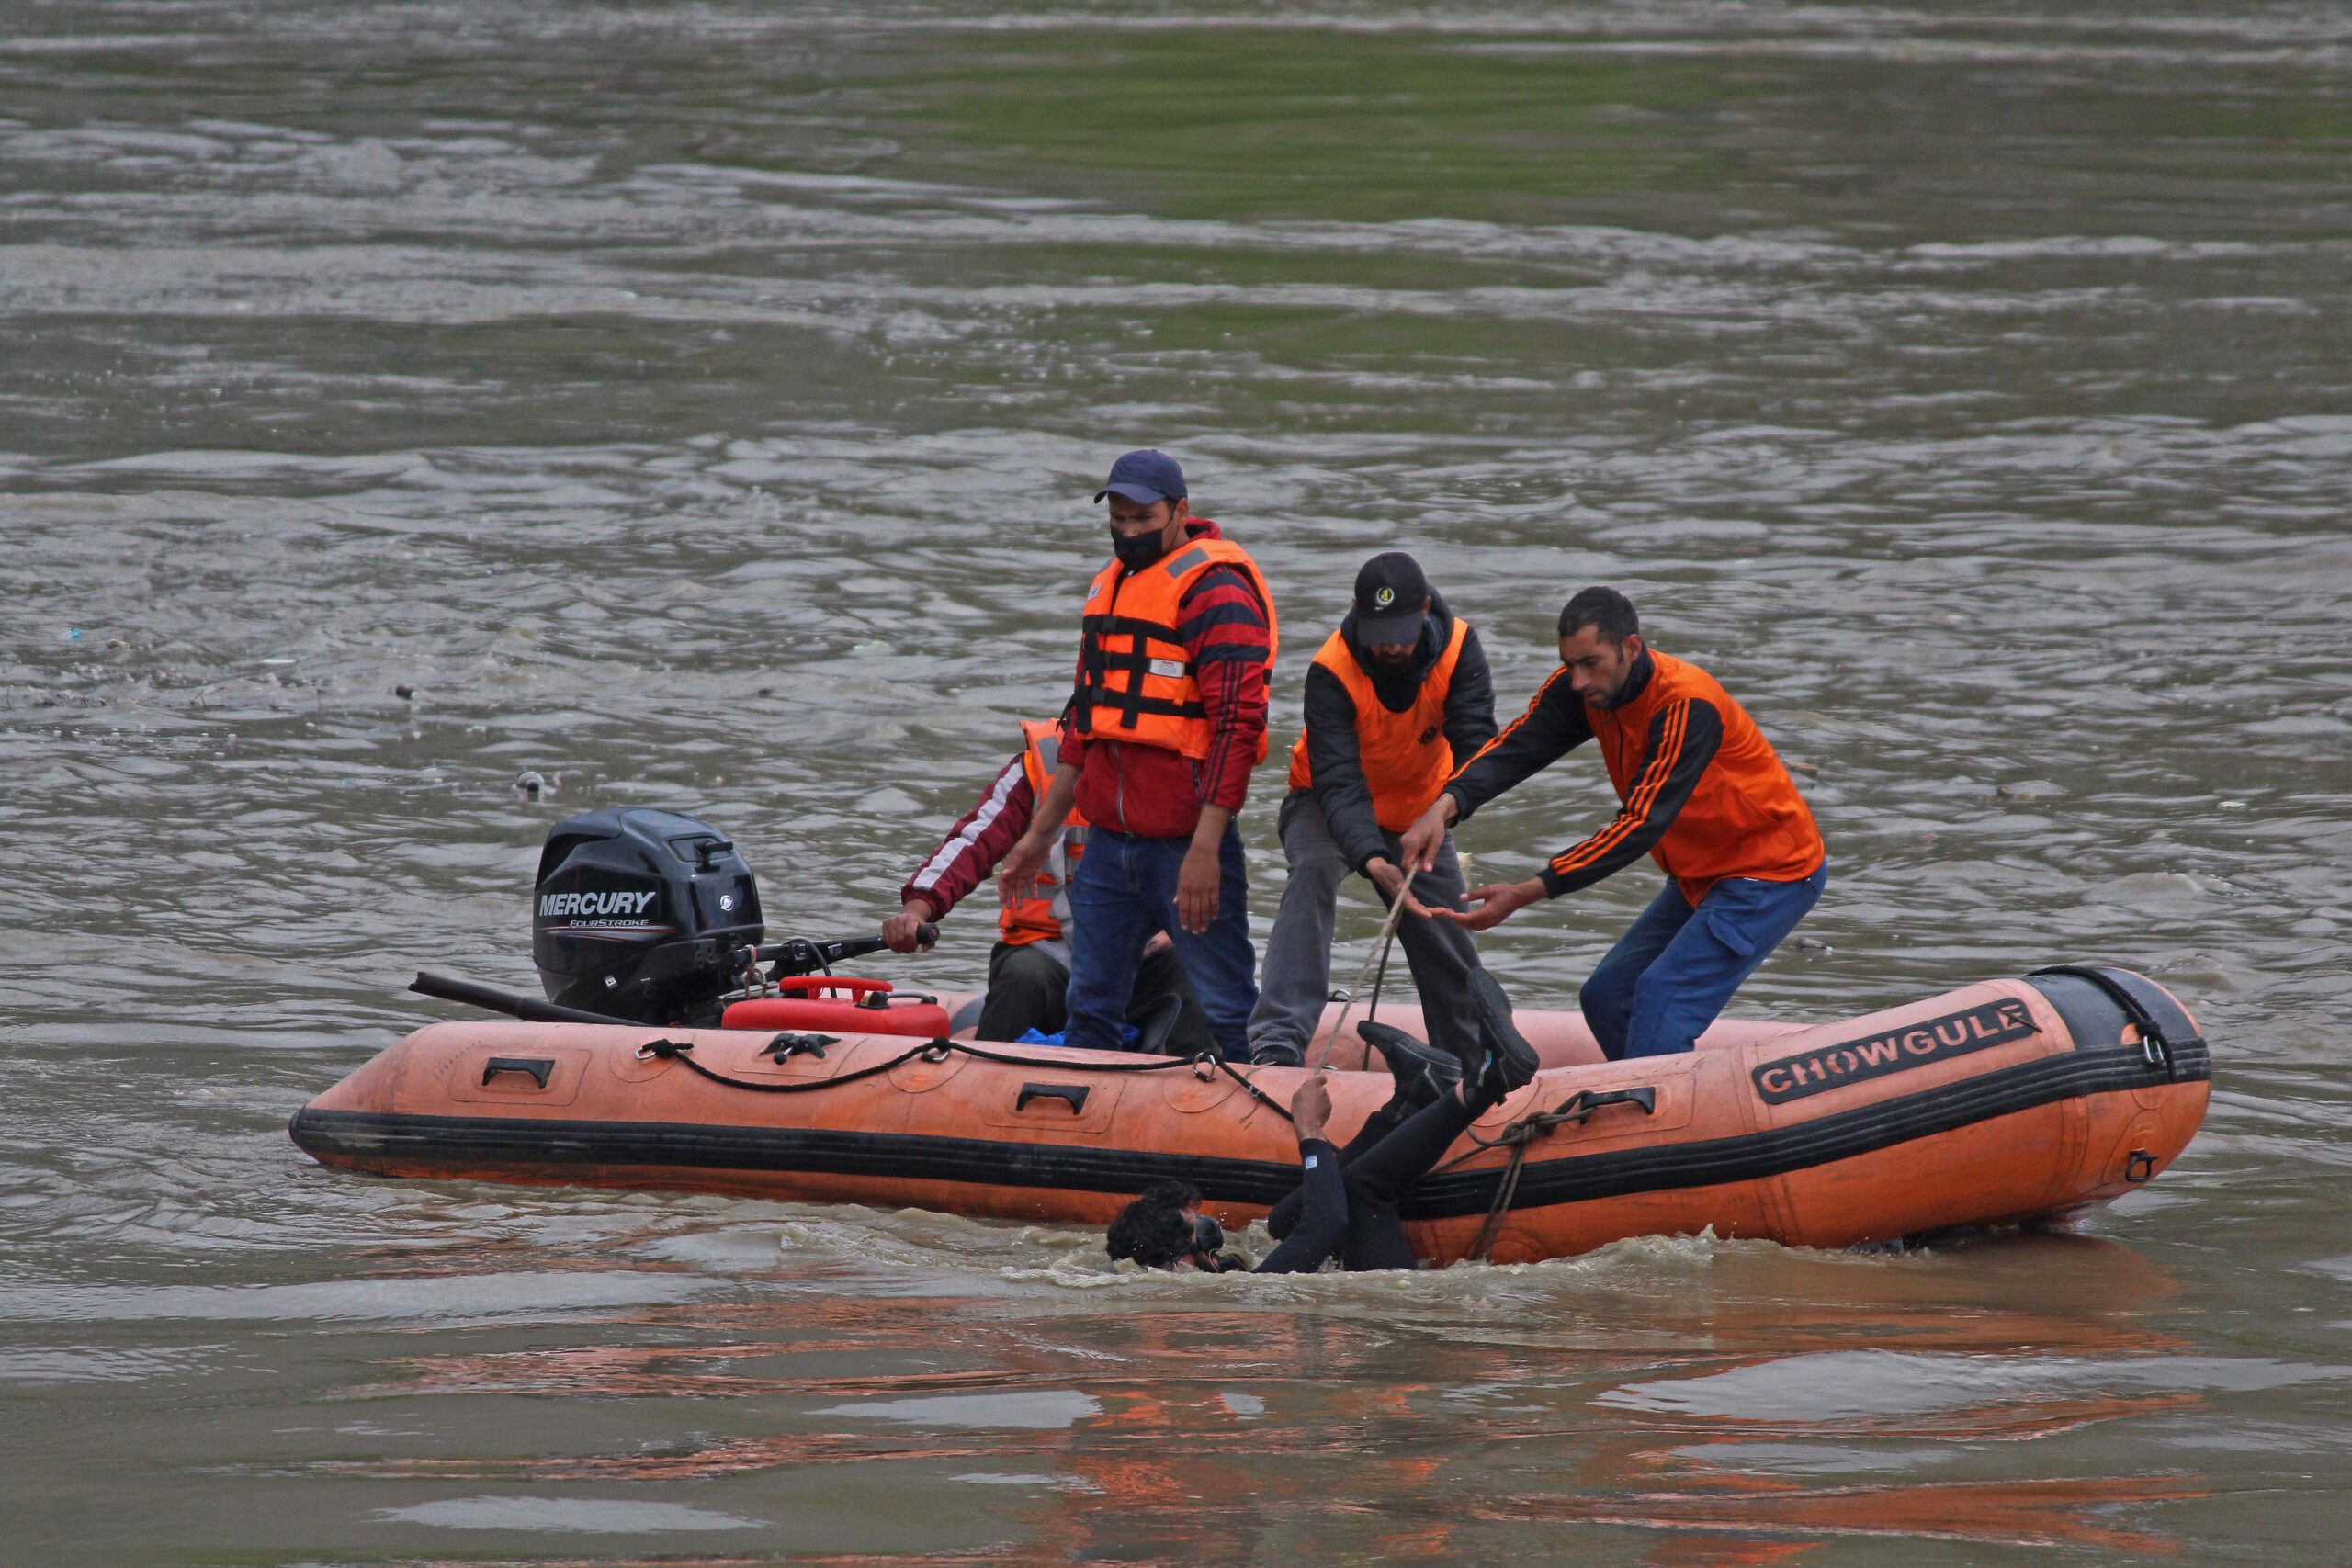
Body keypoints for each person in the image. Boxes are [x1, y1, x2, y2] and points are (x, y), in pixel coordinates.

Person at [1398, 586, 1827, 1061]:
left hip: (1767, 874)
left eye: (1590, 663)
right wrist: (1443, 806)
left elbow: (1640, 824)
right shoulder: (1587, 692)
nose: (1578, 681)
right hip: (1697, 874)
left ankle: (1661, 1116)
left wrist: (1529, 890)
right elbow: (1517, 748)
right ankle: (1637, 1102)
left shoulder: (1685, 705)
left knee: (1661, 998)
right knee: (1606, 998)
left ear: (1631, 648)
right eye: (1568, 665)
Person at [998, 450, 1280, 1062]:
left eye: (1142, 518)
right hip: (1106, 847)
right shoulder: (1109, 587)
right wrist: (1038, 836)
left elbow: (1236, 728)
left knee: (1227, 1003)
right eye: (1118, 519)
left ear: (1180, 511)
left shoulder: (1217, 590)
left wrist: (1205, 850)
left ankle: (1267, 1123)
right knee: (1090, 1005)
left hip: (1185, 844)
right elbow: (1083, 727)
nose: (1128, 532)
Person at [1104, 971, 1538, 1273]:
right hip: (1384, 1313)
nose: (1215, 1237)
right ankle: (1488, 1083)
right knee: (1363, 1191)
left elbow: (1307, 1222)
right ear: (1180, 1261)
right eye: (1204, 1230)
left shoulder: (1220, 1283)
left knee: (1282, 1220)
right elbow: (1326, 1226)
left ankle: (1411, 1102)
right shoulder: (1248, 1299)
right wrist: (1308, 1131)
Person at [1247, 551, 1497, 1070]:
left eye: (1402, 632)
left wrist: (1446, 811)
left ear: (1426, 609)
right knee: (1314, 870)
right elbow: (1339, 784)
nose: (1389, 646)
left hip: (1421, 813)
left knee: (1444, 923)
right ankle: (1277, 1038)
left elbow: (1480, 749)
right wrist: (1369, 857)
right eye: (1377, 632)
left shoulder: (1460, 648)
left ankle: (1471, 1061)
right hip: (1322, 802)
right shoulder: (1331, 670)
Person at [885, 718, 1212, 1052]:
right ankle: (980, 1085)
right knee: (1023, 978)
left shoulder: (1184, 761)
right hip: (1049, 950)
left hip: (1144, 956)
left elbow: (1205, 874)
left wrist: (1170, 932)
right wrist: (917, 908)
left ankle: (1204, 1087)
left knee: (1195, 970)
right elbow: (972, 843)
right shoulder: (1039, 763)